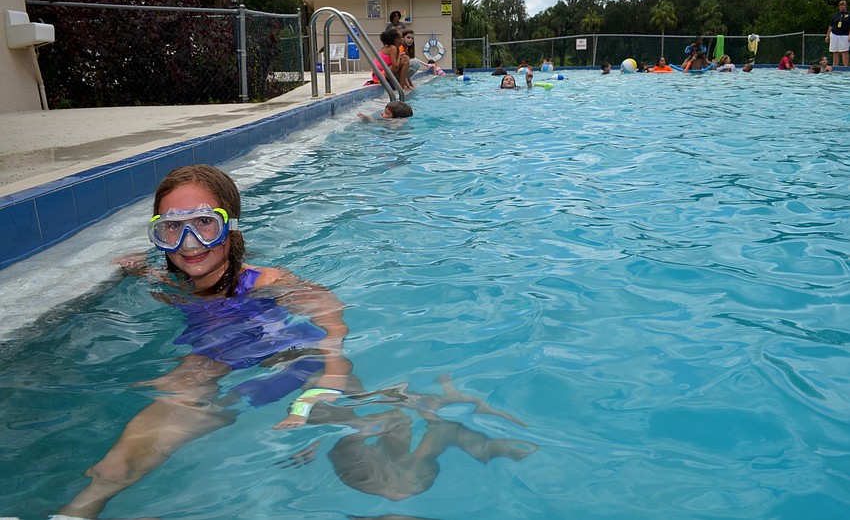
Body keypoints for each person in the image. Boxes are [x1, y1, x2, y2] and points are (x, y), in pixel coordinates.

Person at [57, 165, 352, 518]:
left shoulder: (263, 280)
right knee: (127, 451)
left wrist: (334, 366)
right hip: (211, 356)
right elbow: (160, 276)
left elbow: (327, 307)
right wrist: (135, 270)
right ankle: (79, 508)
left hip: (279, 350)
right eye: (171, 228)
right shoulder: (174, 286)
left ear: (231, 226)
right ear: (159, 235)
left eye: (203, 223)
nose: (189, 242)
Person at [285, 374, 538, 501]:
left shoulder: (344, 411)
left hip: (381, 474)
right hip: (391, 476)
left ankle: (473, 438)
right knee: (405, 418)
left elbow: (312, 406)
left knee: (397, 417)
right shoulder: (351, 406)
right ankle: (485, 445)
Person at [824, 0, 849, 68]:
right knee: (835, 51)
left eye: (843, 5)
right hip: (834, 35)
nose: (842, 7)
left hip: (844, 35)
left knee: (844, 51)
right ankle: (835, 66)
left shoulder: (848, 16)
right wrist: (827, 35)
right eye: (841, 5)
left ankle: (845, 67)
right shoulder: (836, 16)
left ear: (846, 7)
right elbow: (831, 26)